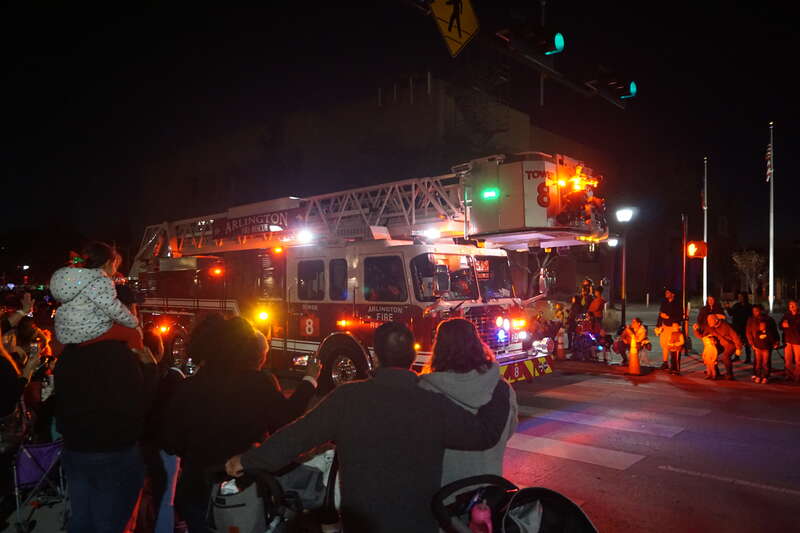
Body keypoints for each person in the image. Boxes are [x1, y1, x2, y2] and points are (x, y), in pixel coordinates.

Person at [225, 322, 511, 533]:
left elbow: (295, 438)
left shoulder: (348, 397)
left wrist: (248, 461)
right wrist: (498, 387)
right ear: (412, 357)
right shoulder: (432, 403)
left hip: (362, 524)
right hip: (417, 524)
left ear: (375, 356)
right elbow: (482, 435)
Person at [161, 317, 319, 532]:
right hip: (243, 491)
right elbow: (285, 420)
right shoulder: (257, 383)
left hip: (195, 489)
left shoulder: (188, 386)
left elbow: (171, 441)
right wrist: (309, 380)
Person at [54, 340, 159, 533]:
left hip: (76, 448)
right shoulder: (118, 353)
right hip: (114, 449)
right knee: (109, 521)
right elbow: (140, 403)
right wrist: (151, 369)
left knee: (82, 518)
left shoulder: (69, 354)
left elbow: (57, 403)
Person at [418, 318, 518, 486]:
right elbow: (507, 432)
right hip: (487, 495)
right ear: (477, 344)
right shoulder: (502, 389)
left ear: (438, 348)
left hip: (441, 496)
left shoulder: (424, 389)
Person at [49, 242, 142, 350]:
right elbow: (113, 308)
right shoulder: (100, 280)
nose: (116, 269)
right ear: (108, 263)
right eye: (115, 264)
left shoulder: (79, 279)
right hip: (89, 331)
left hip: (69, 331)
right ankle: (138, 363)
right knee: (133, 334)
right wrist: (134, 323)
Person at [693, 314, 742, 380]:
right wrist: (696, 330)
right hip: (719, 345)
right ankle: (715, 373)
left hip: (729, 345)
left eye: (710, 320)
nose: (709, 322)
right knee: (712, 355)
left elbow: (735, 336)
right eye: (708, 320)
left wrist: (738, 348)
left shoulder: (725, 326)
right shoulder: (709, 327)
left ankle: (730, 374)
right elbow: (701, 336)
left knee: (725, 357)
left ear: (716, 320)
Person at [746, 305, 779, 378]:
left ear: (761, 311)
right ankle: (757, 374)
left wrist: (776, 342)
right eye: (753, 311)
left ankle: (766, 375)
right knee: (757, 360)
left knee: (766, 361)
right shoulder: (751, 320)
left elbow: (774, 332)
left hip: (767, 344)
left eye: (756, 311)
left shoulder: (768, 319)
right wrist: (751, 343)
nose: (755, 312)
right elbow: (748, 332)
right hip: (756, 344)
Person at [658, 289, 683, 370]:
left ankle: (674, 365)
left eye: (668, 292)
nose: (666, 294)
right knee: (663, 344)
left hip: (673, 327)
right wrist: (658, 325)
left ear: (673, 294)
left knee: (672, 345)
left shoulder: (677, 304)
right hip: (665, 325)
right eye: (666, 292)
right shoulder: (664, 302)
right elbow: (660, 314)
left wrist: (668, 317)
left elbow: (679, 316)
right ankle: (665, 362)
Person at [726, 292, 753, 364]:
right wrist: (728, 308)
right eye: (739, 297)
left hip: (745, 327)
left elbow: (751, 317)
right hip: (737, 327)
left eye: (741, 296)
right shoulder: (736, 305)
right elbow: (730, 314)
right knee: (736, 342)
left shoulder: (749, 306)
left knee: (747, 343)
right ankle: (737, 356)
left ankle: (748, 358)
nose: (740, 298)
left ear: (745, 297)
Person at [751, 317, 778, 384]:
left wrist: (775, 344)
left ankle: (765, 376)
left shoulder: (769, 333)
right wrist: (754, 346)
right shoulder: (757, 332)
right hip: (758, 349)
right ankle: (758, 376)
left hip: (766, 349)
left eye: (763, 325)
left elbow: (772, 340)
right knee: (758, 364)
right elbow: (755, 340)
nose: (761, 326)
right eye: (760, 325)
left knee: (765, 364)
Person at [780, 300, 800, 383]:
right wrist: (782, 324)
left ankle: (797, 376)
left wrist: (790, 325)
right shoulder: (786, 315)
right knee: (788, 360)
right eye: (790, 305)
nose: (791, 307)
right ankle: (789, 375)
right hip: (788, 340)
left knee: (798, 360)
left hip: (798, 341)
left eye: (793, 305)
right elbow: (780, 325)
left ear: (797, 306)